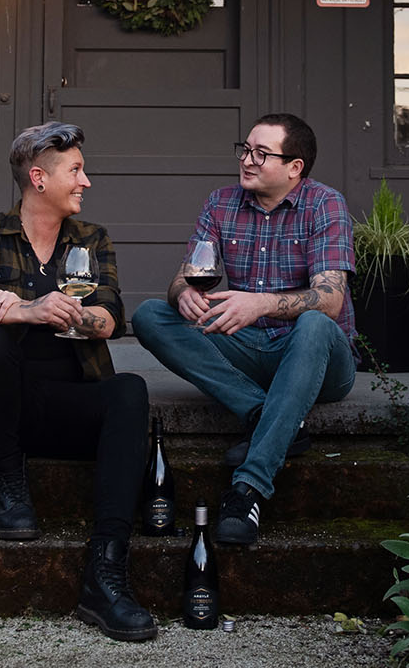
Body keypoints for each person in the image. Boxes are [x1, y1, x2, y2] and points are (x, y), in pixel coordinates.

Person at [0, 121, 157, 642]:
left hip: (69, 403)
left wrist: (73, 315)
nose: (86, 181)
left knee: (130, 391)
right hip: (1, 408)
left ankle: (107, 570)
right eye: (75, 170)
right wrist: (23, 310)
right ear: (38, 178)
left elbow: (110, 319)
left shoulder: (92, 240)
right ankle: (10, 483)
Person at [132, 113, 357, 547]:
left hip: (317, 358)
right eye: (245, 149)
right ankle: (264, 415)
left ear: (295, 167)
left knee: (313, 321)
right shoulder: (221, 203)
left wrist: (261, 304)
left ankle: (248, 489)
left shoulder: (325, 204)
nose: (247, 160)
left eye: (261, 153)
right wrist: (184, 295)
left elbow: (330, 300)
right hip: (249, 348)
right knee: (149, 315)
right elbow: (184, 277)